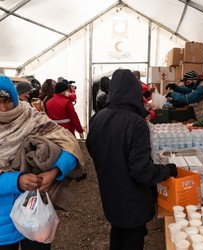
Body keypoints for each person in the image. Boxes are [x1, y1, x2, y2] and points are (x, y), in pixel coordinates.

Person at [86, 69, 178, 250]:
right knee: (133, 237)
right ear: (135, 91)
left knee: (118, 230)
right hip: (133, 198)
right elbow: (141, 171)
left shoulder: (98, 117)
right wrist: (168, 170)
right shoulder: (136, 123)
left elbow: (91, 147)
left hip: (110, 190)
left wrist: (110, 164)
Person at [0, 75, 85, 250]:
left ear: (15, 98)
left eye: (7, 101)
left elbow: (70, 145)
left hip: (35, 214)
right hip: (3, 226)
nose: (3, 108)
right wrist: (17, 181)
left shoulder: (33, 119)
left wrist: (54, 172)